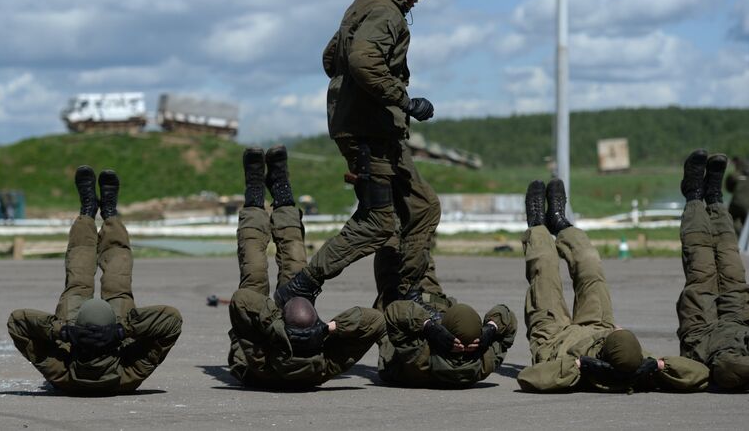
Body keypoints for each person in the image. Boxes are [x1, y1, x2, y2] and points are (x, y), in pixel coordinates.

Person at [274, 0, 441, 309]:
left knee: (423, 208)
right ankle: (302, 284)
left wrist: (353, 92)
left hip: (377, 131)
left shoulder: (361, 6)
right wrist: (403, 100)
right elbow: (362, 60)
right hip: (370, 134)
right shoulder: (386, 13)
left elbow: (330, 58)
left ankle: (408, 293)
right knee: (379, 223)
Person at [516, 178, 709, 393]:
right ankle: (561, 224)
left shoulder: (582, 373)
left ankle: (537, 225)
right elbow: (701, 373)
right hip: (599, 328)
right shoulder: (638, 365)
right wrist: (658, 365)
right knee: (590, 263)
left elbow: (529, 378)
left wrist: (580, 365)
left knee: (544, 267)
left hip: (555, 340)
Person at [7, 166, 182, 394]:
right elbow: (172, 320)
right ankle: (109, 215)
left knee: (80, 281)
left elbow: (16, 322)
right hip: (108, 332)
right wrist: (119, 333)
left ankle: (87, 213)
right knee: (116, 283)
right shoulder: (125, 374)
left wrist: (65, 333)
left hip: (76, 337)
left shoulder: (66, 374)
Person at [227, 146, 386, 388]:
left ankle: (254, 196)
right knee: (296, 266)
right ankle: (282, 193)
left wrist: (279, 329)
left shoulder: (266, 366)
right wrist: (323, 331)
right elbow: (374, 320)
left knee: (254, 273)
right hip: (292, 328)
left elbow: (241, 301)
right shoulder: (321, 366)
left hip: (261, 349)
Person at [676, 149, 749, 390]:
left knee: (701, 262)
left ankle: (694, 194)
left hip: (702, 330)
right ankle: (715, 199)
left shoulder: (714, 368)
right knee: (731, 262)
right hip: (738, 319)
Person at [378, 293, 517, 388]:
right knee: (441, 299)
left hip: (393, 355)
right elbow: (508, 316)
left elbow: (393, 311)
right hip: (433, 314)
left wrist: (429, 326)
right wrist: (491, 328)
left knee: (408, 288)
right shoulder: (485, 361)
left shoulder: (421, 355)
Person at [726, 156, 749, 237]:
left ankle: (734, 239)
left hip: (735, 203)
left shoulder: (735, 176)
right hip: (747, 206)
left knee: (730, 221)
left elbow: (729, 188)